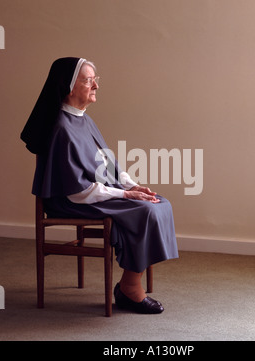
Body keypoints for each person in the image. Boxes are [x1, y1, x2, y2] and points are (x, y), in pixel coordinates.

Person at [21, 57, 179, 314]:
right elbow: (77, 189)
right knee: (147, 210)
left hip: (93, 191)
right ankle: (129, 288)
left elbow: (108, 166)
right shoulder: (61, 127)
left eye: (96, 80)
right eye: (88, 80)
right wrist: (126, 195)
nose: (96, 86)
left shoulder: (83, 119)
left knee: (160, 203)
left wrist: (133, 187)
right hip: (71, 198)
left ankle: (129, 282)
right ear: (69, 87)